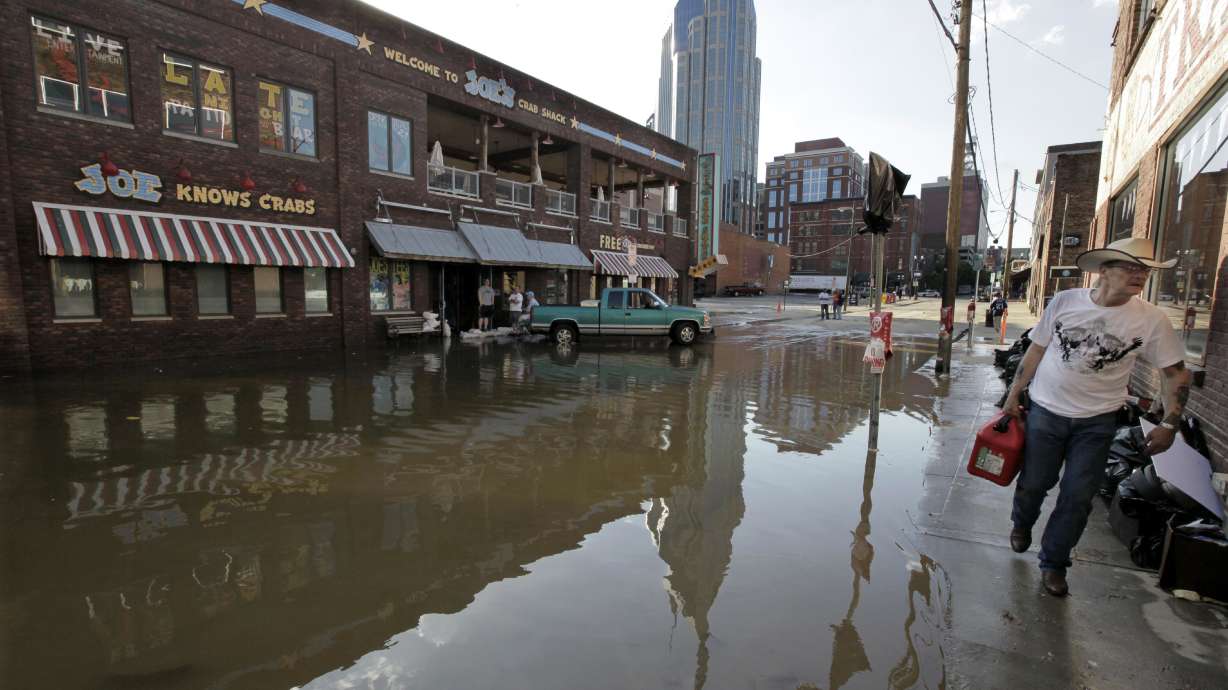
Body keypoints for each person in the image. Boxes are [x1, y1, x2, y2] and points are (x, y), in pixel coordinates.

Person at [1001, 237, 1189, 597]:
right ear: (1103, 271)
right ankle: (1022, 523)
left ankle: (1054, 563)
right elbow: (1036, 350)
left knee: (1077, 496)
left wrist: (1169, 424)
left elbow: (1176, 375)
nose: (1139, 275)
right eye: (1130, 267)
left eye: (1144, 270)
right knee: (1034, 484)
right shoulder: (1065, 302)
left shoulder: (1152, 320)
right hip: (1046, 411)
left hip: (1098, 422)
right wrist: (1013, 395)